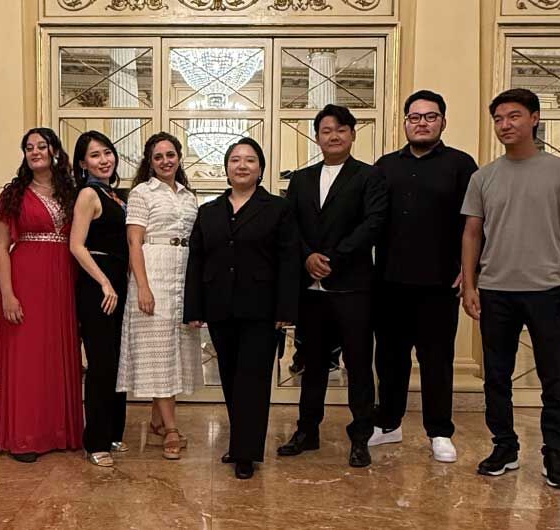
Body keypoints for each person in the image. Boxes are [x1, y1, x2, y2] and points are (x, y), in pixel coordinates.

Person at [461, 88, 560, 489]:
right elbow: (471, 234)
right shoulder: (483, 177)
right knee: (496, 375)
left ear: (534, 118)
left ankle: (555, 453)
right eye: (499, 119)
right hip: (496, 290)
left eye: (514, 116)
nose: (505, 125)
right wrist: (470, 285)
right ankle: (504, 446)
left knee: (555, 375)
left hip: (548, 290)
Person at [276, 104, 388, 468]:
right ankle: (307, 431)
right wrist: (307, 257)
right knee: (312, 364)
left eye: (341, 129)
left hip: (353, 287)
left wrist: (333, 259)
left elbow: (373, 224)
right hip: (310, 290)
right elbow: (290, 226)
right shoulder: (301, 179)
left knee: (358, 364)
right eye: (326, 130)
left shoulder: (369, 176)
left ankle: (360, 437)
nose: (333, 136)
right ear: (317, 137)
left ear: (352, 134)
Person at [370, 90, 479, 463]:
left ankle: (439, 431)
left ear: (443, 122)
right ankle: (388, 423)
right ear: (405, 123)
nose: (422, 123)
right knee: (389, 359)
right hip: (389, 282)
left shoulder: (462, 165)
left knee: (437, 361)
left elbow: (475, 224)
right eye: (414, 117)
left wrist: (470, 270)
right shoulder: (385, 166)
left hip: (439, 282)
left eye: (430, 117)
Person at [184, 138, 300, 479]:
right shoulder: (209, 211)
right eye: (235, 160)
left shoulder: (278, 208)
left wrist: (286, 309)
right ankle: (240, 442)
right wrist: (194, 308)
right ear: (226, 168)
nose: (242, 165)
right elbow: (197, 260)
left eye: (250, 160)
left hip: (262, 309)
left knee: (253, 381)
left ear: (260, 169)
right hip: (220, 307)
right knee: (231, 380)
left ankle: (246, 453)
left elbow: (289, 260)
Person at [0, 127, 82, 463]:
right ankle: (25, 436)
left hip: (64, 280)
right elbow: (0, 248)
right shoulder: (13, 194)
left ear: (55, 151)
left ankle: (59, 432)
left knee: (58, 355)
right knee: (27, 359)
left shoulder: (72, 192)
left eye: (41, 146)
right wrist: (7, 294)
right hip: (26, 280)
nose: (34, 152)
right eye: (28, 147)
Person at [117, 132, 202, 461]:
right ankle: (171, 429)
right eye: (158, 157)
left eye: (170, 154)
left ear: (179, 157)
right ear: (149, 162)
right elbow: (134, 242)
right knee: (160, 353)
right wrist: (143, 286)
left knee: (174, 352)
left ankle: (156, 423)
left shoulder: (188, 196)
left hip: (183, 274)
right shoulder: (142, 192)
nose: (166, 161)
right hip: (153, 273)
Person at [69, 131, 129, 467]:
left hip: (118, 282)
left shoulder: (114, 195)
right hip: (98, 286)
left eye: (107, 152)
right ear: (83, 163)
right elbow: (76, 245)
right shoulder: (88, 194)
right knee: (101, 363)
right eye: (95, 155)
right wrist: (105, 282)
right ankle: (95, 442)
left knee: (117, 362)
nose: (104, 160)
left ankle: (112, 433)